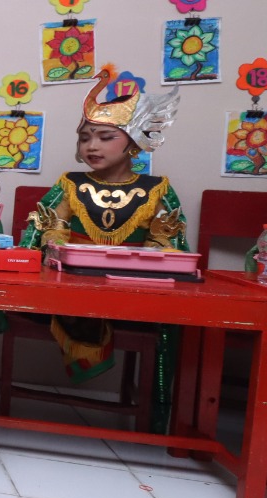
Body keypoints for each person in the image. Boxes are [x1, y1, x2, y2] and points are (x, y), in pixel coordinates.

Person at [19, 66, 184, 426]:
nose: (92, 146)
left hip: (130, 290)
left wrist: (153, 256)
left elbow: (166, 241)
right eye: (85, 138)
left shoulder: (156, 189)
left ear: (134, 140)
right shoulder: (70, 185)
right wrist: (58, 248)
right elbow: (51, 229)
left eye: (105, 136)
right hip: (71, 286)